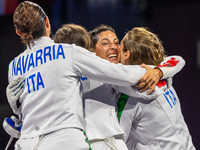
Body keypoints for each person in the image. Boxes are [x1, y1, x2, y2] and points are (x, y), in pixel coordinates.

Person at [8, 1, 163, 149]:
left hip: (27, 143)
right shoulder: (67, 52)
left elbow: (27, 113)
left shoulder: (14, 67)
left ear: (18, 32)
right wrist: (153, 71)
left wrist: (16, 109)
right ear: (47, 23)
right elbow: (120, 73)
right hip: (65, 142)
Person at [81, 24, 186, 150]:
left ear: (126, 55)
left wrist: (159, 73)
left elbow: (122, 138)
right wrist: (161, 73)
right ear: (92, 50)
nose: (114, 47)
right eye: (105, 43)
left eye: (117, 43)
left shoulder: (137, 84)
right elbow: (177, 60)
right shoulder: (162, 77)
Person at [118, 27, 195, 150]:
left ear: (127, 54)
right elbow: (177, 60)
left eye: (119, 46)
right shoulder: (165, 77)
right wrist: (159, 71)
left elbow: (116, 140)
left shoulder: (130, 95)